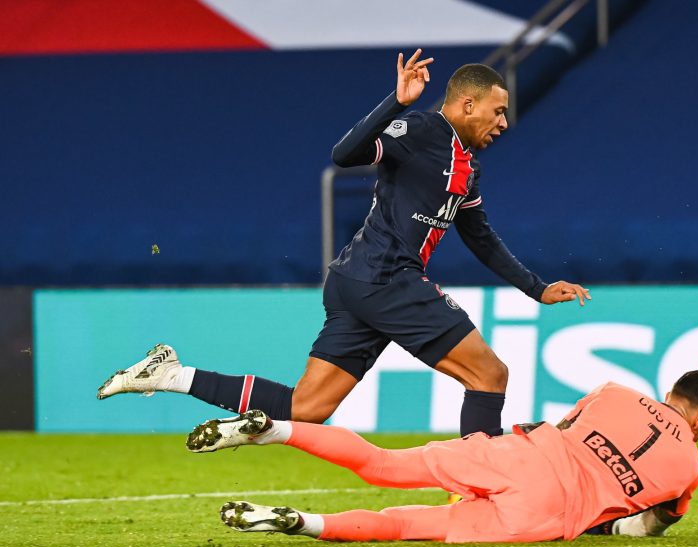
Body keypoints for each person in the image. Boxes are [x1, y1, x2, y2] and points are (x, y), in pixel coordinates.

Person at [97, 49, 589, 438]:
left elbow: (480, 238)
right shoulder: (419, 129)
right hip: (386, 278)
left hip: (359, 282)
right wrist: (396, 103)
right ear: (467, 104)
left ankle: (170, 375)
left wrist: (536, 287)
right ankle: (484, 490)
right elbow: (345, 153)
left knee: (306, 407)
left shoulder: (467, 167)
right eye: (497, 111)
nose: (503, 123)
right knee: (489, 376)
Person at [186, 370, 698, 543]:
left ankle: (275, 429)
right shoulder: (692, 470)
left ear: (671, 391)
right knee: (402, 525)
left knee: (381, 464)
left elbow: (561, 426)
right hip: (545, 514)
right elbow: (644, 529)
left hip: (523, 454)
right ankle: (303, 522)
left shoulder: (614, 392)